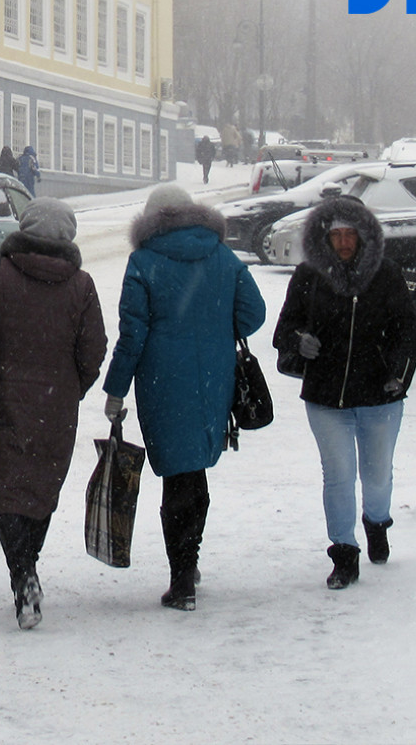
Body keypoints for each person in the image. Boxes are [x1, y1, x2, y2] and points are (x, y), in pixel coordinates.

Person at [102, 185, 266, 611]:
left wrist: (115, 390)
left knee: (179, 475)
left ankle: (182, 579)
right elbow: (253, 314)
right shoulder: (222, 255)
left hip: (163, 382)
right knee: (195, 474)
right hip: (215, 378)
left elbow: (132, 334)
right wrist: (213, 327)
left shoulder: (143, 262)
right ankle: (188, 566)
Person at [0, 197, 106, 629]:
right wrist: (72, 387)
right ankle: (28, 567)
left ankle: (22, 573)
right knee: (40, 489)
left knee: (4, 491)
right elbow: (93, 351)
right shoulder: (82, 285)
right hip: (56, 408)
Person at [271, 196, 416, 591]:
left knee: (376, 475)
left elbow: (407, 331)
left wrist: (397, 375)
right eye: (335, 234)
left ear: (364, 234)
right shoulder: (308, 275)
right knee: (337, 476)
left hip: (380, 397)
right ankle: (344, 553)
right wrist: (299, 341)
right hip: (326, 397)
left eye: (349, 233)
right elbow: (283, 329)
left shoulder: (385, 274)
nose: (342, 242)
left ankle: (377, 520)